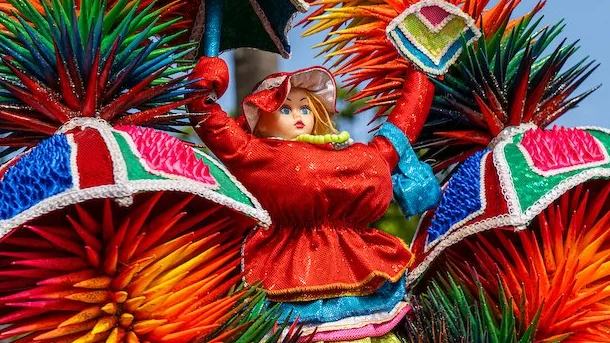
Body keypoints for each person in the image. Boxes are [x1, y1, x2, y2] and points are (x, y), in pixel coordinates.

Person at [187, 55, 440, 303]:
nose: (298, 115)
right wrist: (202, 93)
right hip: (289, 270)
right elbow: (214, 126)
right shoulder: (255, 152)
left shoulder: (348, 151)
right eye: (285, 108)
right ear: (259, 123)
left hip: (363, 261)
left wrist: (422, 74)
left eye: (305, 107)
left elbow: (393, 142)